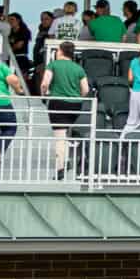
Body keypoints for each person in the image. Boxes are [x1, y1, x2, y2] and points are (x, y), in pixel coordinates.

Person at [41, 40, 88, 177]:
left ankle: (60, 168)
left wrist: (44, 96)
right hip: (75, 105)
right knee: (66, 132)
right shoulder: (78, 68)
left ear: (60, 51)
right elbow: (85, 89)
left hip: (58, 103)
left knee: (60, 137)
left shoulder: (53, 65)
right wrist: (78, 96)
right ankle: (66, 160)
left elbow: (45, 84)